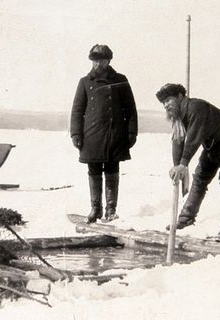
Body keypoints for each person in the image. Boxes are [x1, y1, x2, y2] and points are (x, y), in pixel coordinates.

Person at [155, 83, 220, 240]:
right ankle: (185, 218)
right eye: (164, 103)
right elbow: (178, 141)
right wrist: (177, 165)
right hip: (211, 147)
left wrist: (184, 163)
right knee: (199, 179)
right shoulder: (178, 118)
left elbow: (194, 138)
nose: (166, 105)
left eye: (168, 100)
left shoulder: (196, 108)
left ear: (180, 97)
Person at [70, 44, 138, 223]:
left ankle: (111, 210)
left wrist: (131, 132)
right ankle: (95, 209)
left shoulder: (120, 80)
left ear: (108, 60)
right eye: (94, 60)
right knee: (93, 170)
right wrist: (76, 134)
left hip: (115, 134)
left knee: (112, 169)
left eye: (100, 60)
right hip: (91, 135)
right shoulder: (85, 82)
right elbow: (77, 110)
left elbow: (130, 108)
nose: (96, 64)